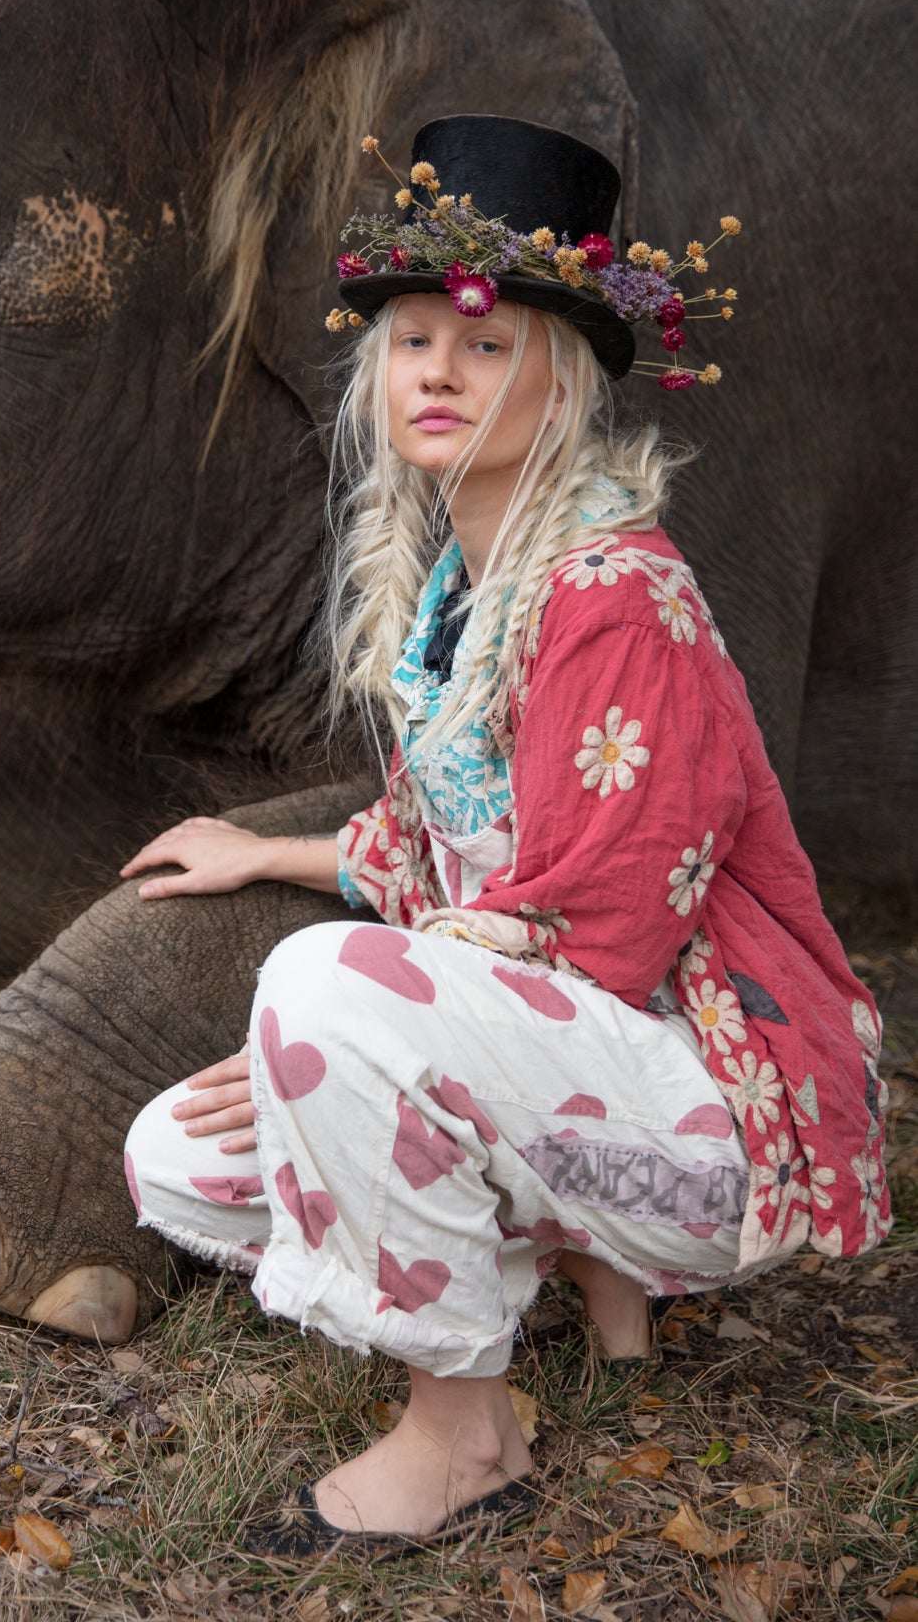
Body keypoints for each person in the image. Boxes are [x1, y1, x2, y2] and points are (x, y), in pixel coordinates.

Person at [120, 115, 891, 1559]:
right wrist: (269, 857)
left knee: (321, 989)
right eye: (413, 342)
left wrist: (338, 1026)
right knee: (172, 1157)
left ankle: (465, 1436)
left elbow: (606, 917)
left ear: (564, 381)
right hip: (573, 1071)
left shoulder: (616, 597)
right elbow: (456, 842)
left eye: (483, 345)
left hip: (709, 1110)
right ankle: (562, 1270)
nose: (437, 372)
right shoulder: (464, 593)